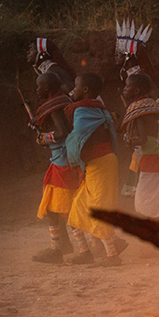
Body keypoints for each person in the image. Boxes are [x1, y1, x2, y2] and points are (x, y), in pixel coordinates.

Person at [64, 73, 128, 266]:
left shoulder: (83, 110)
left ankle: (112, 255)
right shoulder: (94, 109)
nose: (72, 90)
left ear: (85, 90)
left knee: (98, 209)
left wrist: (73, 159)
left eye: (75, 86)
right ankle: (85, 253)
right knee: (77, 208)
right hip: (95, 165)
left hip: (101, 163)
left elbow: (77, 138)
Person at [29, 73, 82, 264]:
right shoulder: (64, 102)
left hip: (63, 164)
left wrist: (43, 138)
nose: (37, 90)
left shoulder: (55, 106)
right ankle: (60, 248)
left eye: (39, 86)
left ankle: (75, 250)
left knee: (64, 209)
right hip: (63, 162)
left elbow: (62, 132)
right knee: (53, 208)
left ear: (48, 88)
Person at [121, 73, 159, 219]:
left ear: (136, 91)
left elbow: (142, 139)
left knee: (147, 198)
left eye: (127, 86)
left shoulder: (137, 108)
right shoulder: (153, 105)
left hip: (150, 156)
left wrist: (130, 141)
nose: (124, 89)